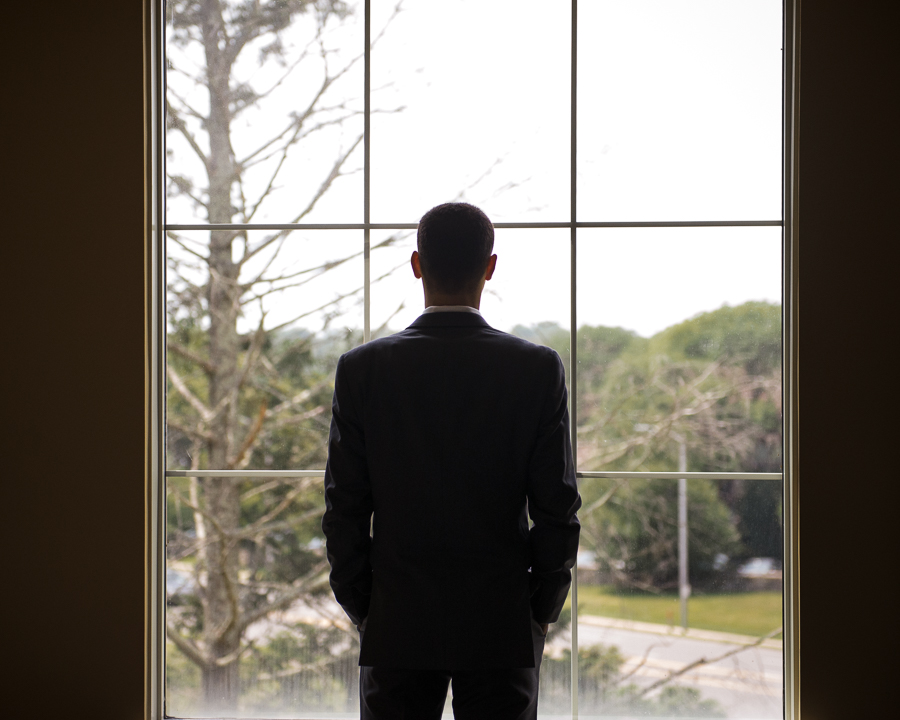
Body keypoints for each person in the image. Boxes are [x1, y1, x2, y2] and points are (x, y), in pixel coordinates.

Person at [322, 202, 581, 720]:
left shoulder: (363, 369)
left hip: (397, 620)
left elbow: (344, 507)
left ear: (417, 265)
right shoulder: (535, 368)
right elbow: (557, 507)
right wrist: (540, 611)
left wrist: (366, 608)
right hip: (501, 622)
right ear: (490, 267)